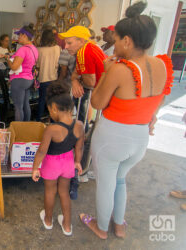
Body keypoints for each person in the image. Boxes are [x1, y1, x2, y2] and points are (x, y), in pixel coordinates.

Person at [79, 1, 174, 239]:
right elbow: (158, 100)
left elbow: (97, 103)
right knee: (120, 180)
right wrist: (150, 117)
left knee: (106, 183)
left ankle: (101, 227)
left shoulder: (120, 69)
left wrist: (105, 70)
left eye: (116, 38)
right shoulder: (163, 64)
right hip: (140, 139)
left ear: (127, 41)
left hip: (113, 137)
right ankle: (119, 225)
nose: (114, 43)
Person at [32, 81, 84, 236]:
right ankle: (67, 226)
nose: (50, 113)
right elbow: (79, 147)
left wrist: (35, 168)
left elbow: (42, 151)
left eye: (49, 110)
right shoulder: (79, 125)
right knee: (64, 192)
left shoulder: (51, 129)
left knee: (50, 191)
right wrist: (77, 162)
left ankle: (48, 221)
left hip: (51, 164)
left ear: (54, 108)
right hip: (68, 163)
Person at [59, 25, 106, 128]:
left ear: (81, 40)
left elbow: (90, 82)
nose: (66, 46)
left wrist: (77, 81)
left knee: (82, 116)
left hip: (103, 96)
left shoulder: (85, 52)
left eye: (69, 43)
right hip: (102, 94)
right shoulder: (87, 47)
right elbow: (75, 73)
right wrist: (75, 80)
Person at [6, 24, 38, 121]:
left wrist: (8, 59)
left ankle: (18, 131)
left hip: (19, 80)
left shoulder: (22, 49)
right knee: (25, 105)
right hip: (29, 80)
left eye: (19, 35)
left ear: (24, 35)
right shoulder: (34, 48)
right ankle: (26, 127)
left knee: (18, 108)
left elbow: (14, 67)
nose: (18, 37)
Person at [36, 29, 61, 121]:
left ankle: (38, 120)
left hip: (42, 78)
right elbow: (59, 64)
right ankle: (53, 121)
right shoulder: (57, 48)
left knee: (41, 100)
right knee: (53, 102)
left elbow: (37, 65)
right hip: (54, 78)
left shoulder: (39, 50)